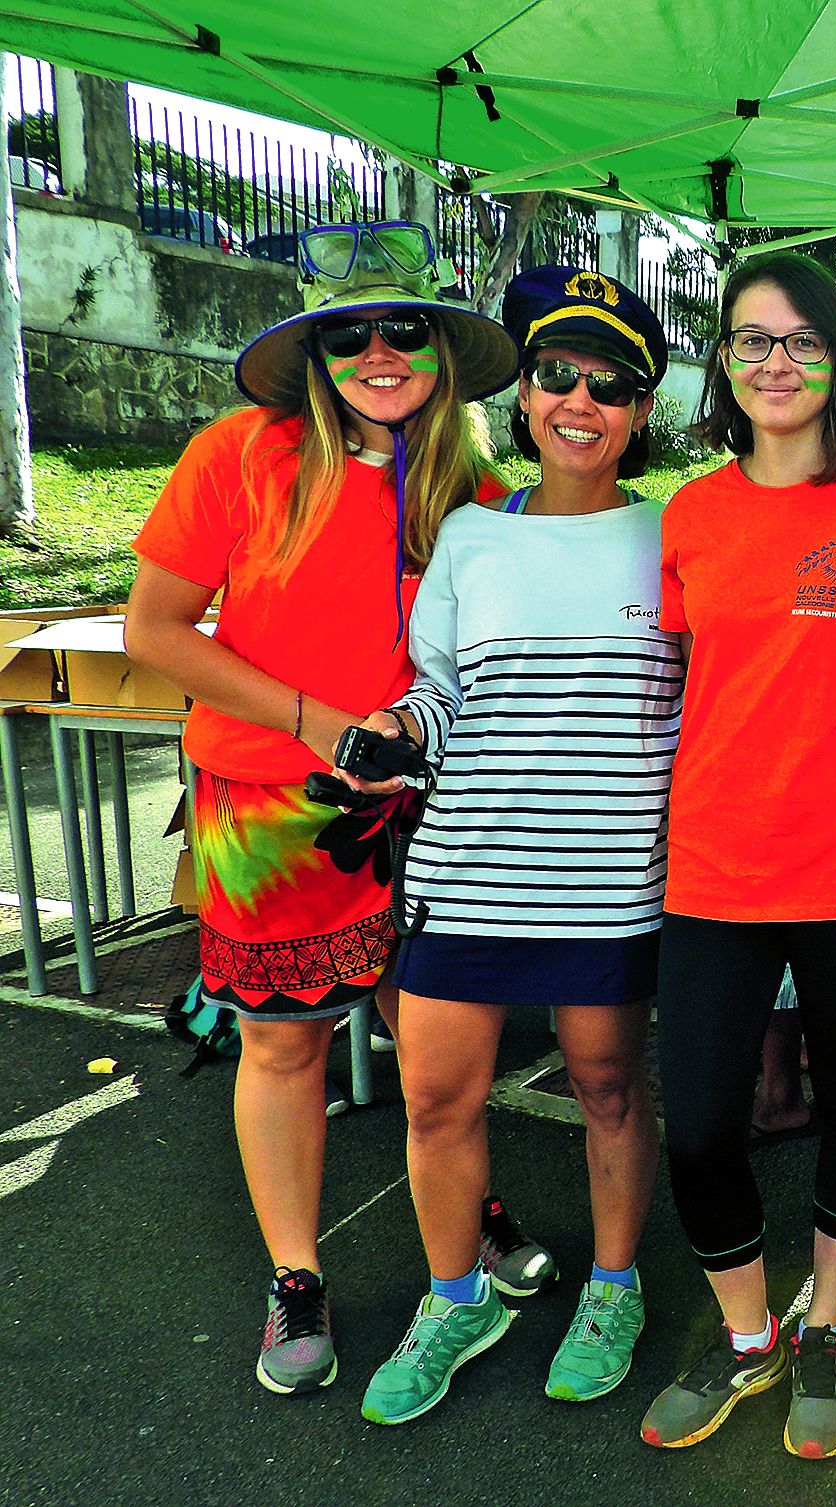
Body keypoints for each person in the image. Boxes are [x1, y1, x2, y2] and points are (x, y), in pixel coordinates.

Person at [124, 221, 523, 1397]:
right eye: (348, 332)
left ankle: (468, 1212)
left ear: (442, 346)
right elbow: (156, 630)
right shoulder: (239, 455)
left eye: (406, 327)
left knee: (439, 1037)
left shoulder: (477, 485)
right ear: (314, 349)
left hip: (422, 800)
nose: (379, 352)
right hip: (271, 802)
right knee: (282, 1039)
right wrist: (309, 721)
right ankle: (296, 1274)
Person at [346, 266, 676, 1425]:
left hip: (606, 882)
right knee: (436, 1101)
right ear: (526, 396)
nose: (579, 399)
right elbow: (438, 695)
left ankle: (616, 1287)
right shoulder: (468, 539)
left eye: (611, 383)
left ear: (641, 412)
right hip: (465, 874)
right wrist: (395, 729)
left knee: (606, 1086)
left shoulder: (673, 538)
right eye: (555, 374)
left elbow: (717, 703)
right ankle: (455, 1299)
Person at [638, 252, 836, 1462]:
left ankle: (823, 1322)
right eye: (748, 340)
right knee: (702, 1128)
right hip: (714, 856)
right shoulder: (693, 513)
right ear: (722, 362)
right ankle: (745, 1335)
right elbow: (684, 674)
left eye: (800, 341)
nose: (774, 362)